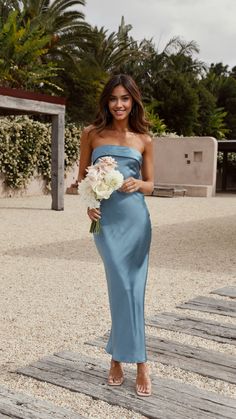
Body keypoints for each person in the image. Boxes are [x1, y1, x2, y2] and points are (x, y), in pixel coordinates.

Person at [76, 74, 154, 396]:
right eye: (113, 98)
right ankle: (129, 357)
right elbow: (82, 177)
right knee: (120, 286)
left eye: (125, 98)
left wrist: (139, 184)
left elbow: (151, 184)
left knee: (133, 291)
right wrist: (88, 206)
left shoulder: (144, 139)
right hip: (106, 223)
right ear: (106, 102)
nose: (119, 104)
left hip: (136, 221)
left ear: (133, 101)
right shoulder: (91, 135)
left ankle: (129, 361)